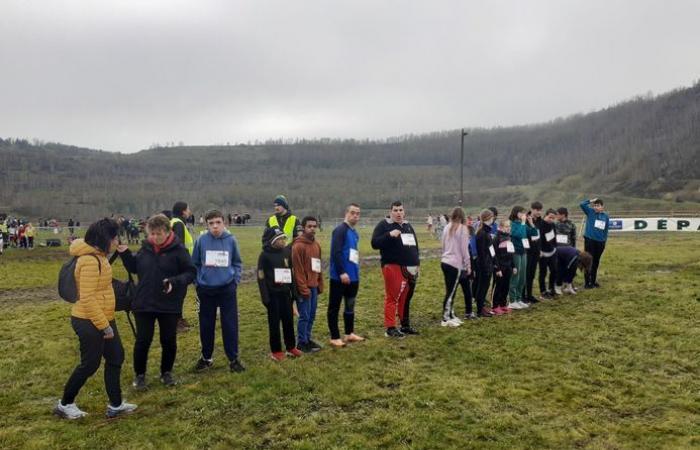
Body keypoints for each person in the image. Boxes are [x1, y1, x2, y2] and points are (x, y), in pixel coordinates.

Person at [54, 218, 137, 420]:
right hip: (89, 320)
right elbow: (88, 298)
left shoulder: (99, 257)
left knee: (116, 357)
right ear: (104, 238)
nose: (117, 240)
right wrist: (104, 327)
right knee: (89, 364)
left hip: (104, 317)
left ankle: (116, 405)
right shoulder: (89, 261)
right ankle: (65, 404)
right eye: (115, 237)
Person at [117, 214, 196, 389]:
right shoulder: (145, 248)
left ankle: (166, 373)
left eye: (158, 233)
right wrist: (125, 254)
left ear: (168, 232)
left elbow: (190, 273)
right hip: (144, 303)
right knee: (143, 341)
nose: (154, 237)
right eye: (151, 233)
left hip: (169, 304)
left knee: (168, 340)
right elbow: (135, 268)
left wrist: (174, 282)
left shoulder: (179, 251)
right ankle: (140, 376)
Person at [191, 210, 245, 373]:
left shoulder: (231, 240)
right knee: (206, 324)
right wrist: (198, 282)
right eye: (211, 223)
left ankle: (233, 359)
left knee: (230, 324)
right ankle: (206, 358)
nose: (215, 226)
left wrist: (234, 281)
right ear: (206, 225)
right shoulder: (201, 240)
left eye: (218, 222)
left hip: (227, 289)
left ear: (224, 223)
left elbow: (237, 263)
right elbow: (194, 263)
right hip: (205, 290)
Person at [371, 201, 420, 338]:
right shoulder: (384, 225)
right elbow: (374, 243)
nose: (398, 213)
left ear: (404, 212)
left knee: (405, 298)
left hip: (410, 267)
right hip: (392, 266)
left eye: (401, 210)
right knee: (392, 297)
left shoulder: (408, 226)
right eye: (395, 210)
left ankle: (405, 325)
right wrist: (389, 235)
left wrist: (417, 263)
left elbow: (415, 245)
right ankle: (390, 327)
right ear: (390, 211)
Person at [257, 228, 302, 361]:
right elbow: (261, 277)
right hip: (273, 296)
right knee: (274, 324)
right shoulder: (264, 255)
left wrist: (294, 292)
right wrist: (265, 297)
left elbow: (291, 272)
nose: (283, 241)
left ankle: (291, 347)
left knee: (288, 321)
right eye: (279, 239)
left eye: (284, 238)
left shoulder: (287, 252)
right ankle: (276, 351)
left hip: (286, 295)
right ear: (272, 241)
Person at [328, 203, 364, 347]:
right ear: (346, 213)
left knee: (350, 305)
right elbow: (335, 253)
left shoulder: (354, 233)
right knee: (334, 307)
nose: (355, 215)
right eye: (353, 213)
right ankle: (334, 336)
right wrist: (342, 272)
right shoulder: (339, 230)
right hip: (339, 277)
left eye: (358, 213)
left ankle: (349, 333)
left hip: (353, 276)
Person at [291, 216, 324, 352]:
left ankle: (307, 338)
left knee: (311, 315)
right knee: (304, 316)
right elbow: (297, 270)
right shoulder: (298, 246)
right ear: (303, 228)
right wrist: (303, 289)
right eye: (309, 226)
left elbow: (318, 266)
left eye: (314, 226)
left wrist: (320, 283)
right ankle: (301, 343)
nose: (312, 229)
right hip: (304, 288)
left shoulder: (316, 245)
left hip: (314, 286)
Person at [439, 207, 472, 327]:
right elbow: (465, 250)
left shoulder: (447, 227)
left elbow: (442, 244)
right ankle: (445, 317)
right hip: (455, 264)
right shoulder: (463, 229)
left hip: (445, 262)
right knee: (451, 292)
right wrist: (468, 265)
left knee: (450, 290)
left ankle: (451, 314)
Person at [170, 201, 195, 333]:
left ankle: (178, 319)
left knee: (178, 294)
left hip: (175, 264)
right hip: (180, 265)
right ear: (183, 211)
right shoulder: (179, 223)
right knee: (179, 294)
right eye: (188, 209)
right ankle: (176, 322)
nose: (189, 211)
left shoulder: (173, 221)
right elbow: (178, 245)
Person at [508, 206, 539, 310]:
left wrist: (530, 223)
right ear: (517, 213)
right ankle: (512, 300)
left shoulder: (523, 224)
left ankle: (519, 298)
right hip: (516, 253)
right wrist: (523, 223)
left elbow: (535, 234)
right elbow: (519, 235)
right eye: (522, 213)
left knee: (522, 277)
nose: (524, 215)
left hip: (524, 252)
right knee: (515, 277)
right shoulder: (512, 224)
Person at [580, 198, 610, 288]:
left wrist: (604, 240)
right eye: (595, 205)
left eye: (598, 205)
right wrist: (591, 201)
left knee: (596, 261)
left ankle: (593, 281)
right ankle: (587, 283)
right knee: (588, 261)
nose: (596, 207)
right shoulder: (590, 212)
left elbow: (606, 229)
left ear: (602, 207)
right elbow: (582, 204)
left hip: (600, 242)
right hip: (590, 241)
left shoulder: (605, 216)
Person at [474, 209, 498, 318]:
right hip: (484, 266)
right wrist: (485, 267)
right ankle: (479, 309)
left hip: (488, 264)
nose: (493, 219)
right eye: (492, 217)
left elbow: (491, 250)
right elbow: (482, 253)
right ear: (487, 218)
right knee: (482, 287)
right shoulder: (481, 233)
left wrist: (494, 263)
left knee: (485, 286)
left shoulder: (487, 232)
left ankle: (482, 307)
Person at [492, 219, 514, 315]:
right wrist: (497, 268)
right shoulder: (496, 238)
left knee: (506, 286)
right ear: (500, 227)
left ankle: (503, 304)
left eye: (509, 226)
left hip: (508, 266)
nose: (508, 228)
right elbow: (494, 255)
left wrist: (513, 266)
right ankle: (495, 306)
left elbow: (511, 253)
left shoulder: (509, 238)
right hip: (500, 267)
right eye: (506, 226)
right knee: (498, 286)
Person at [537, 209, 558, 299]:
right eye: (550, 217)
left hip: (552, 251)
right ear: (545, 215)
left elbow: (554, 237)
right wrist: (539, 250)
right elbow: (539, 239)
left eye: (553, 218)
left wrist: (555, 247)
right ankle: (543, 291)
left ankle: (551, 288)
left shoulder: (553, 225)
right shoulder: (540, 225)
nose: (551, 219)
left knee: (554, 270)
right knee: (543, 272)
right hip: (543, 253)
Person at [525, 202, 543, 304]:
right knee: (525, 274)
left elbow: (539, 237)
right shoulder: (525, 220)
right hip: (527, 251)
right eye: (537, 210)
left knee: (532, 274)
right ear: (532, 209)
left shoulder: (540, 221)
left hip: (536, 251)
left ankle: (530, 295)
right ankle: (523, 296)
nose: (539, 212)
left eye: (540, 210)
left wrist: (539, 249)